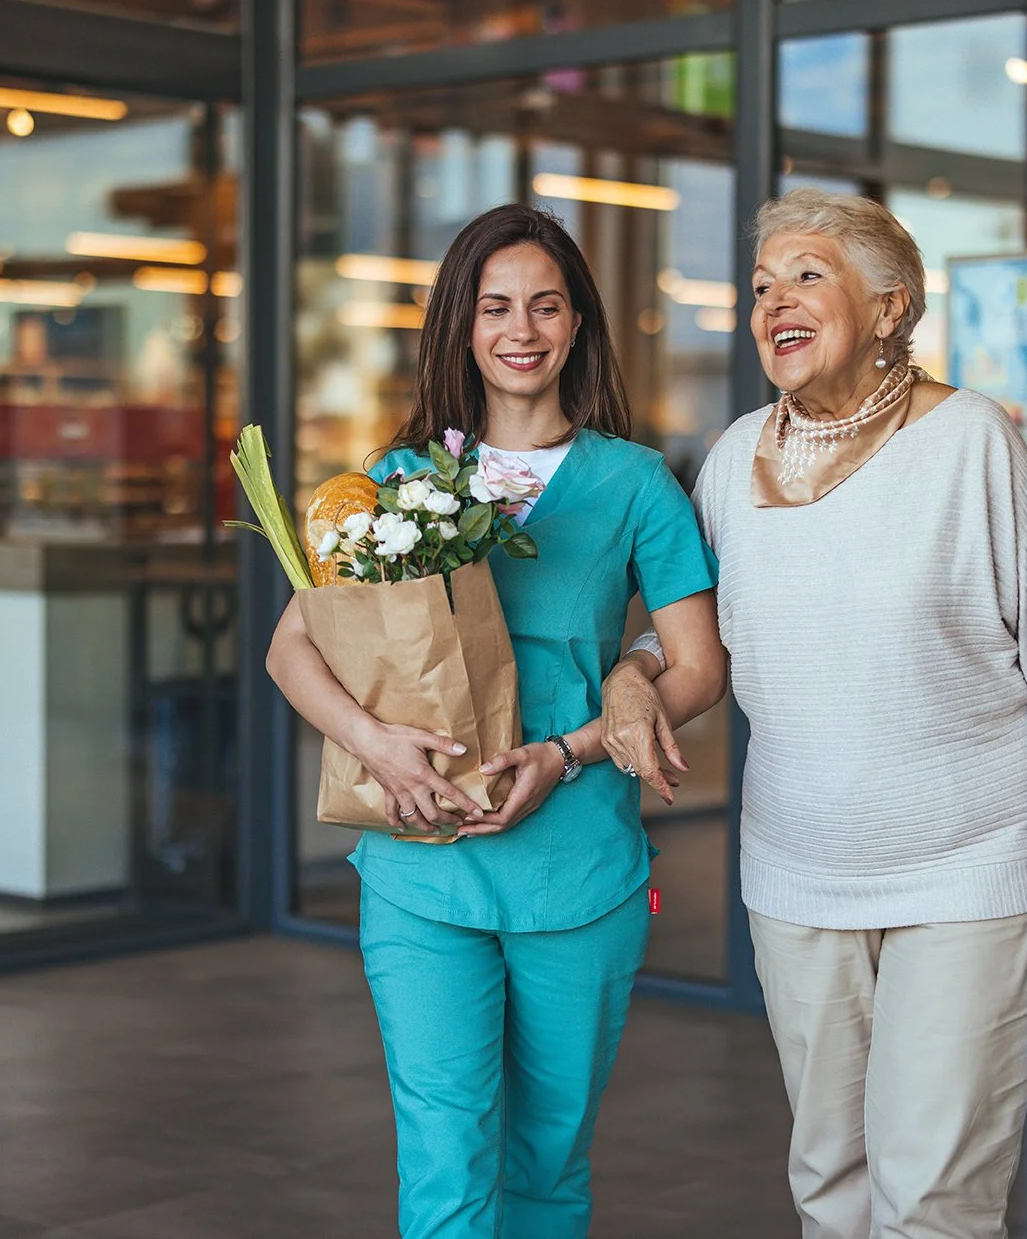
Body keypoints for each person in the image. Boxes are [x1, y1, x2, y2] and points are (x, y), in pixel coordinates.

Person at [265, 202, 726, 1239]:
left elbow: (698, 666)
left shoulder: (635, 483)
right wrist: (375, 741)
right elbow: (291, 644)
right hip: (421, 867)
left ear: (577, 325)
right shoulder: (402, 479)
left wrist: (569, 750)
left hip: (579, 870)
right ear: (461, 327)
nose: (522, 329)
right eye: (496, 306)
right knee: (443, 1154)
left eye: (546, 306)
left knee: (548, 1163)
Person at [602, 186, 1027, 1239]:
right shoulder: (732, 458)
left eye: (808, 273)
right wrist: (630, 677)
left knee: (932, 1197)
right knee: (829, 1180)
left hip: (971, 869)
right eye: (762, 285)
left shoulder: (973, 443)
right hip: (798, 874)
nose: (775, 302)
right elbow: (684, 643)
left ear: (893, 304)